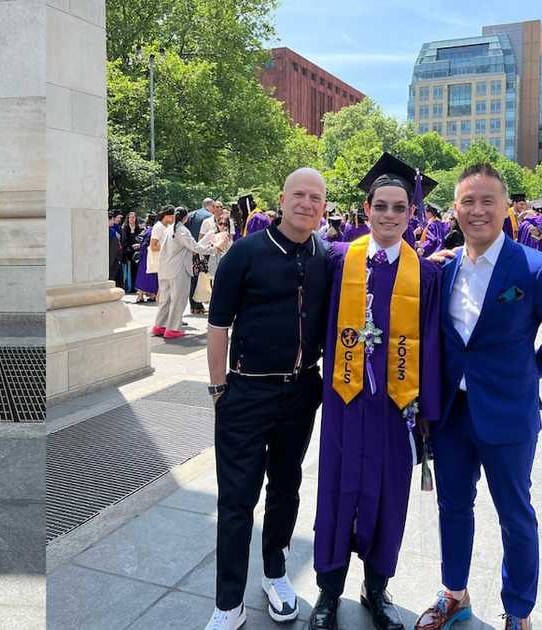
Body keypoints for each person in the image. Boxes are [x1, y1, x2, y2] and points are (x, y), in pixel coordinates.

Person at [413, 163, 542, 630]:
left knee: (515, 515)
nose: (477, 210)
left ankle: (519, 612)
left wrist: (527, 376)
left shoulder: (535, 268)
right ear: (455, 209)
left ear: (507, 207)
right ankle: (454, 592)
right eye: (468, 201)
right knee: (452, 506)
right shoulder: (443, 270)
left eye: (488, 200)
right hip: (453, 414)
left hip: (508, 415)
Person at [310, 154, 442, 630]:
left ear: (412, 214)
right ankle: (327, 592)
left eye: (399, 208)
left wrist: (427, 409)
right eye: (380, 206)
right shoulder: (338, 259)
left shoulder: (425, 274)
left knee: (388, 496)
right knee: (336, 492)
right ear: (366, 209)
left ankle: (376, 587)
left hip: (393, 408)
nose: (389, 216)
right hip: (346, 404)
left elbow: (430, 343)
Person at [203, 168, 330, 630]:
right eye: (299, 194)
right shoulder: (246, 253)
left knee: (285, 488)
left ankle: (275, 573)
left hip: (300, 393)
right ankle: (228, 601)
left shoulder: (325, 256)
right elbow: (217, 326)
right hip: (246, 391)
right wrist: (219, 389)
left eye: (316, 197)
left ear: (323, 205)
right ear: (282, 199)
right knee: (237, 499)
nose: (307, 203)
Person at [152, 206, 220, 339]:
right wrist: (214, 249)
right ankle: (172, 328)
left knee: (165, 299)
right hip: (178, 270)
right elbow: (195, 247)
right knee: (178, 300)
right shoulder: (181, 230)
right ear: (185, 217)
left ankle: (160, 325)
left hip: (165, 269)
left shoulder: (169, 229)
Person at [186, 199, 216, 314]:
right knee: (205, 277)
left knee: (194, 277)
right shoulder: (209, 218)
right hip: (204, 251)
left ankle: (194, 305)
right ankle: (203, 302)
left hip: (190, 249)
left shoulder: (191, 215)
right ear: (211, 206)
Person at [135, 213, 160, 302]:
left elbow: (142, 241)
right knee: (152, 274)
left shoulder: (147, 230)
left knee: (142, 274)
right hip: (152, 254)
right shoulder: (156, 230)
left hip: (145, 254)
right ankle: (153, 294)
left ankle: (140, 295)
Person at [121, 211, 144, 293]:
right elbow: (123, 241)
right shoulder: (124, 228)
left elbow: (142, 239)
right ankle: (130, 286)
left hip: (138, 252)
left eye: (134, 217)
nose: (132, 219)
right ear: (128, 218)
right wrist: (131, 247)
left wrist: (139, 245)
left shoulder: (139, 228)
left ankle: (137, 287)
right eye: (130, 217)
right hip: (128, 253)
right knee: (130, 269)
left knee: (138, 270)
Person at [109, 211, 124, 285]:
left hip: (117, 257)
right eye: (118, 217)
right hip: (113, 258)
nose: (119, 219)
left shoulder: (118, 228)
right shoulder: (111, 230)